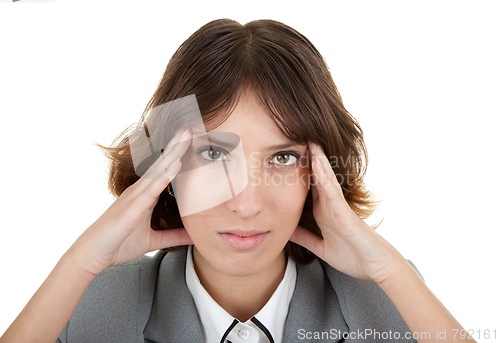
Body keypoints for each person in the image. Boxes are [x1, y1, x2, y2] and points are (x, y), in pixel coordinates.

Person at [1, 19, 475, 343]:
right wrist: (81, 263)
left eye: (284, 158)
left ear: (319, 175)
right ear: (165, 168)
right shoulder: (97, 302)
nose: (247, 203)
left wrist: (391, 272)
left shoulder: (383, 298)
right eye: (212, 153)